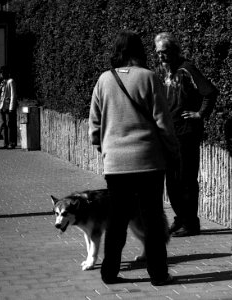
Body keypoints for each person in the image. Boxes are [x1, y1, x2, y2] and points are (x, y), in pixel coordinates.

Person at [89, 30, 179, 286]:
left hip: (115, 164)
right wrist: (173, 153)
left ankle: (109, 273)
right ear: (139, 51)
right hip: (149, 161)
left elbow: (94, 125)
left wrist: (105, 149)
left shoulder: (104, 80)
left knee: (117, 220)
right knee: (152, 220)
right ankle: (159, 275)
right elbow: (164, 122)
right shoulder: (149, 78)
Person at [154, 32, 219, 237]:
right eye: (158, 53)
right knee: (171, 181)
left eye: (164, 52)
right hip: (167, 133)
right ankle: (180, 218)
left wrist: (200, 114)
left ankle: (191, 223)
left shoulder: (186, 69)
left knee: (186, 179)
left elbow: (209, 92)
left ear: (174, 50)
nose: (161, 57)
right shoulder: (160, 72)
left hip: (186, 133)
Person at [0, 66, 18, 149]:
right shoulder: (3, 82)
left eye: (1, 73)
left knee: (9, 125)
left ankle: (11, 143)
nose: (0, 75)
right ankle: (5, 143)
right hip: (2, 106)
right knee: (3, 125)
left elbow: (13, 95)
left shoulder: (11, 81)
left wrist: (11, 108)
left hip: (8, 107)